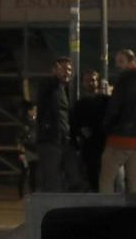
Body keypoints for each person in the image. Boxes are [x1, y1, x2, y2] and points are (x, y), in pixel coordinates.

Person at [99, 49, 136, 194]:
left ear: (132, 62)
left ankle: (106, 211)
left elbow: (114, 108)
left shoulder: (123, 81)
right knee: (135, 182)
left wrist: (107, 127)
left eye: (121, 61)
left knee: (107, 180)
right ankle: (135, 213)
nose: (117, 65)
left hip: (118, 138)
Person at [36, 56, 84, 191]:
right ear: (54, 70)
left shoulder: (66, 90)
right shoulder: (49, 87)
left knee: (74, 176)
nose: (67, 72)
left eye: (69, 69)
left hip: (64, 140)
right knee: (52, 179)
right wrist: (55, 77)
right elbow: (47, 89)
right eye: (63, 68)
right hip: (51, 139)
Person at [70, 69, 109, 191]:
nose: (91, 83)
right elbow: (74, 124)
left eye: (93, 80)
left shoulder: (106, 100)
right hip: (88, 145)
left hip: (104, 144)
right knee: (91, 174)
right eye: (87, 81)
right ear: (82, 83)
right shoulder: (79, 104)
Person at [17, 101, 38, 197]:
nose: (35, 112)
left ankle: (33, 192)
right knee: (24, 173)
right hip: (26, 151)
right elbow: (19, 139)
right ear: (29, 111)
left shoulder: (37, 123)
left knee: (34, 173)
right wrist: (21, 153)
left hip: (35, 151)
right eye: (34, 110)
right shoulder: (24, 124)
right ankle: (21, 194)